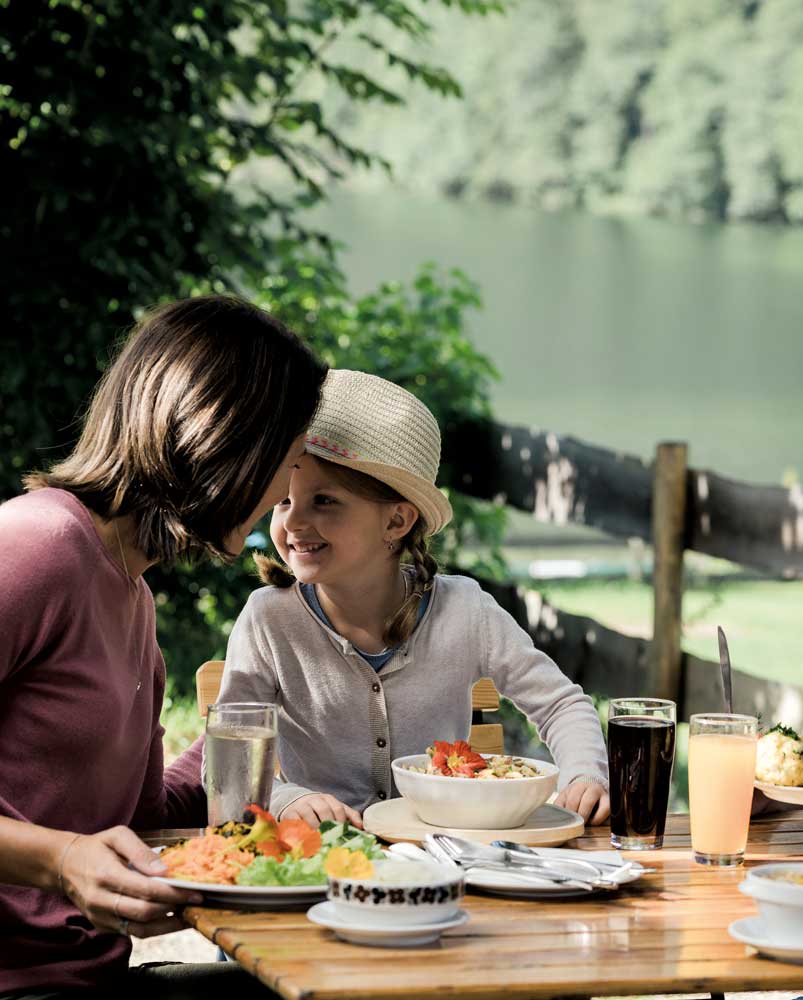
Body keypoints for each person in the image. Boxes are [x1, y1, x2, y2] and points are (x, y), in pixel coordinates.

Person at [0, 296, 326, 996]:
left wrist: (255, 731)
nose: (283, 496)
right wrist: (59, 861)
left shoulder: (133, 594)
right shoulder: (37, 546)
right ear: (231, 438)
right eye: (289, 461)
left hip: (89, 979)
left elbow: (135, 817)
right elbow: (74, 848)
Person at [213, 369, 611, 827]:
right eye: (284, 500)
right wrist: (287, 800)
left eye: (323, 501)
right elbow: (230, 765)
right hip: (322, 858)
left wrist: (584, 775)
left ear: (397, 522)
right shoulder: (268, 619)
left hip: (447, 852)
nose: (294, 522)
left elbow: (561, 704)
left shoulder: (465, 611)